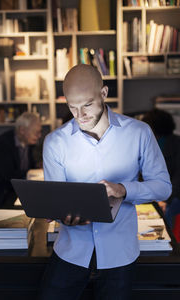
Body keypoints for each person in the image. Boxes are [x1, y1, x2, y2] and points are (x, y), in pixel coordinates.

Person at [39, 64, 171, 300]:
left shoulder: (139, 132)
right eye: (72, 107)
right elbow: (55, 199)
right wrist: (62, 215)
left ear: (103, 93)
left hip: (119, 254)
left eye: (87, 105)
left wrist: (123, 189)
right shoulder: (54, 142)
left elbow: (163, 186)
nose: (80, 115)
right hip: (71, 251)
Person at [0, 112, 42, 214]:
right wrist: (32, 171)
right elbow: (8, 174)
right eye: (36, 132)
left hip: (14, 192)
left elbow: (27, 165)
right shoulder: (3, 143)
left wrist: (36, 166)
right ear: (22, 130)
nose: (39, 136)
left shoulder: (29, 142)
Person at [142, 108, 180, 228]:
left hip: (174, 194)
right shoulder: (146, 142)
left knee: (166, 209)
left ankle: (167, 243)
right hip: (153, 191)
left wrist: (165, 199)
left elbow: (178, 178)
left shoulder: (176, 143)